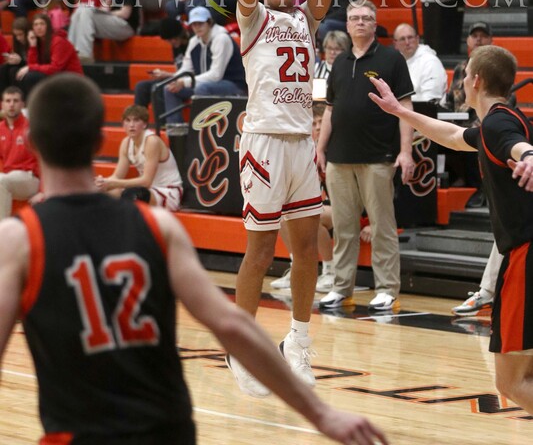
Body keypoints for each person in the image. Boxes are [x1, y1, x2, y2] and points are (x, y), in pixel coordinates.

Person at [0, 72, 387, 445]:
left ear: (32, 142)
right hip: (166, 430)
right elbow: (232, 325)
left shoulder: (19, 241)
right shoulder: (159, 229)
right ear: (101, 137)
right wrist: (320, 414)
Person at [369, 44, 533, 416]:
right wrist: (399, 111)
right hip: (525, 250)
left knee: (510, 382)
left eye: (464, 74)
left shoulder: (498, 125)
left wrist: (529, 158)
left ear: (475, 80)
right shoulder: (500, 119)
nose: (460, 81)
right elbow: (452, 136)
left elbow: (518, 147)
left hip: (524, 257)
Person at [231, 0, 335, 395]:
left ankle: (297, 339)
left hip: (300, 143)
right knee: (260, 252)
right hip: (265, 143)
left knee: (307, 250)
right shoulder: (253, 18)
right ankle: (241, 346)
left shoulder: (303, 18)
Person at [316, 0, 414, 311]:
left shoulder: (392, 59)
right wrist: (320, 148)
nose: (360, 22)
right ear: (346, 24)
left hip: (378, 156)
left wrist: (405, 152)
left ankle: (386, 288)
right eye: (355, 17)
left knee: (382, 226)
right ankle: (341, 287)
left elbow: (405, 109)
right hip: (338, 157)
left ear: (375, 24)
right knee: (344, 228)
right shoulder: (341, 62)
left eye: (367, 18)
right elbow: (330, 108)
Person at [271, 103, 336, 293]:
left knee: (310, 216)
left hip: (338, 206)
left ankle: (331, 271)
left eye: (321, 123)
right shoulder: (304, 148)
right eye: (313, 123)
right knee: (283, 216)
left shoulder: (335, 148)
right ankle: (296, 267)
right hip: (317, 204)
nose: (317, 127)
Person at [162, 6, 246, 124]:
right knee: (169, 89)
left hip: (234, 85)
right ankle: (175, 130)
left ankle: (202, 128)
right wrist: (175, 80)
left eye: (200, 23)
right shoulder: (194, 41)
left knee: (201, 88)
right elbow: (186, 68)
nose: (197, 27)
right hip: (208, 84)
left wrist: (184, 82)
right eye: (194, 24)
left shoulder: (221, 39)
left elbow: (216, 75)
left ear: (209, 22)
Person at [443, 21, 494, 206]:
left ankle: (481, 189)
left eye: (483, 35)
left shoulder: (496, 67)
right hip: (458, 122)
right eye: (475, 35)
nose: (478, 39)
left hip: (483, 122)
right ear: (468, 41)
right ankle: (458, 180)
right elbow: (449, 99)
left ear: (491, 40)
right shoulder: (459, 68)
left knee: (472, 137)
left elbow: (505, 101)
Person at [95, 104, 183, 208]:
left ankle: (127, 223)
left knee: (133, 194)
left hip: (167, 191)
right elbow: (117, 176)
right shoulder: (126, 143)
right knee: (97, 194)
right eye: (128, 120)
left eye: (136, 120)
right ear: (123, 124)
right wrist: (102, 183)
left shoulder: (152, 141)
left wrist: (113, 183)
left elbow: (146, 181)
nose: (131, 125)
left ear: (145, 124)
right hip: (147, 190)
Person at [15, 12, 83, 95]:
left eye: (42, 24)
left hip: (71, 79)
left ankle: (32, 105)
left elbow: (55, 69)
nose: (39, 27)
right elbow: (32, 65)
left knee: (30, 77)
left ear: (48, 26)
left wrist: (30, 67)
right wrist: (33, 46)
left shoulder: (58, 41)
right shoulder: (39, 42)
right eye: (35, 25)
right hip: (57, 77)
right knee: (15, 72)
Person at [0, 86, 40, 219]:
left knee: (2, 181)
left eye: (15, 101)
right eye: (8, 101)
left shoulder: (31, 129)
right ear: (2, 104)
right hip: (8, 178)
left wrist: (43, 192)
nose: (11, 104)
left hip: (30, 179)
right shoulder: (0, 129)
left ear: (22, 104)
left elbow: (46, 161)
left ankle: (2, 233)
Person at [392, 23, 447, 101]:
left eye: (410, 37)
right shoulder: (394, 62)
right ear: (395, 44)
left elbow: (430, 100)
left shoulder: (430, 62)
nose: (407, 42)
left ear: (417, 39)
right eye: (402, 39)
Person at [0, 18, 30, 94]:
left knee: (13, 71)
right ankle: (4, 97)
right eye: (16, 35)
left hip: (30, 66)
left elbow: (34, 61)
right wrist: (11, 58)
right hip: (21, 64)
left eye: (20, 34)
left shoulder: (32, 40)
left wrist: (21, 61)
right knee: (3, 68)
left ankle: (16, 96)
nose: (18, 38)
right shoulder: (17, 42)